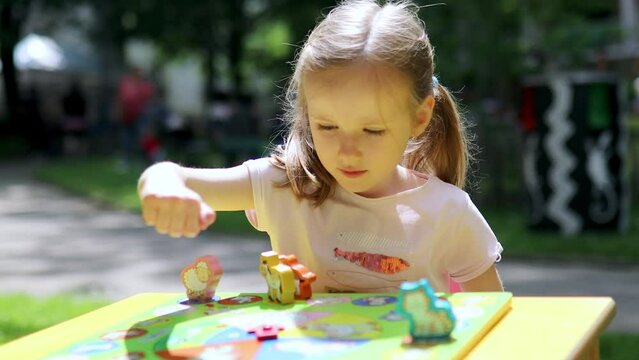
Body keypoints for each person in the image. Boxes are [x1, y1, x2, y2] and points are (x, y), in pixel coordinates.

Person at [138, 0, 503, 293]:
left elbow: (498, 324)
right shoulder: (286, 184)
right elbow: (171, 176)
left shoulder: (447, 213)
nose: (347, 151)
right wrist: (163, 187)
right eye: (327, 126)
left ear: (419, 118)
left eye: (372, 130)